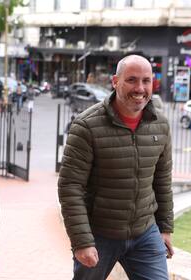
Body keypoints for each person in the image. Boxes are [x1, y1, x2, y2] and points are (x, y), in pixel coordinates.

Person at [58, 54, 174, 280]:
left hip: (145, 233)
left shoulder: (160, 125)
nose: (140, 88)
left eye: (146, 80)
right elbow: (70, 187)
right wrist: (82, 241)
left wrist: (165, 229)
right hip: (99, 233)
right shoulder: (86, 126)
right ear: (115, 81)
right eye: (131, 80)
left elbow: (162, 180)